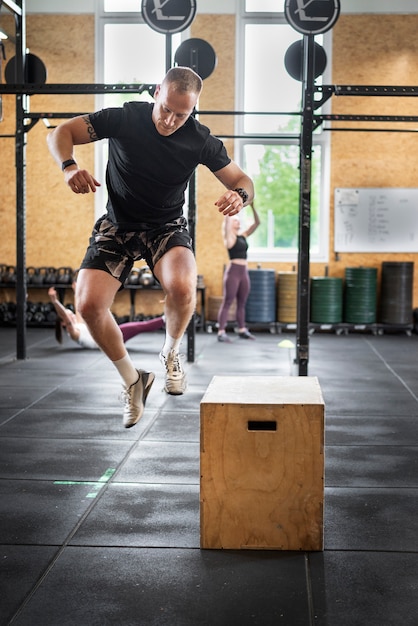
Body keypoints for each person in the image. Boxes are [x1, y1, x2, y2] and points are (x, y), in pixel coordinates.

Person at [46, 66, 254, 429]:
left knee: (183, 287)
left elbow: (242, 179)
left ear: (193, 110)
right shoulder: (126, 118)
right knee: (88, 305)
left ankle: (170, 353)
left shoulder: (200, 139)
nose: (171, 120)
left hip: (166, 227)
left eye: (182, 114)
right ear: (157, 92)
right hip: (118, 226)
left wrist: (240, 196)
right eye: (166, 109)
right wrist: (68, 166)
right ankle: (132, 380)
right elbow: (62, 132)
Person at [48, 286, 165, 349]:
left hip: (109, 336)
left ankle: (165, 319)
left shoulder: (78, 325)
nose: (72, 315)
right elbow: (66, 318)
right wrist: (55, 301)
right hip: (108, 341)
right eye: (69, 315)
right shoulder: (73, 333)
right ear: (64, 323)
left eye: (71, 313)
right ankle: (165, 319)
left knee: (140, 326)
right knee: (140, 326)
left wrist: (77, 291)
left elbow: (79, 309)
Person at [217, 202, 260, 343]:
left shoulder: (243, 236)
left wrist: (253, 207)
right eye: (235, 220)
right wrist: (231, 207)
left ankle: (242, 329)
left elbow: (257, 223)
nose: (238, 221)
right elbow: (227, 223)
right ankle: (221, 331)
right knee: (228, 301)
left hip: (243, 272)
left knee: (242, 302)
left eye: (238, 220)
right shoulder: (230, 238)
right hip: (233, 272)